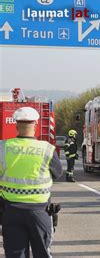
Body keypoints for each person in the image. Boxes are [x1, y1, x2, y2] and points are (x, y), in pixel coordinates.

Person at [0, 107, 63, 257]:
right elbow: (58, 173)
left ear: (16, 125)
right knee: (42, 253)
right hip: (39, 212)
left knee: (15, 254)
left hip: (10, 212)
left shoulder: (3, 148)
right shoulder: (46, 149)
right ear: (35, 124)